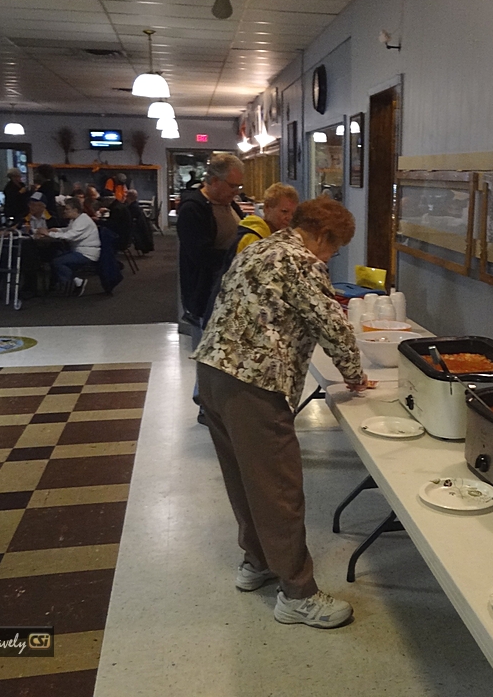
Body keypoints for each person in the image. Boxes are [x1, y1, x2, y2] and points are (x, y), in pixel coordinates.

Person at [193, 197, 368, 629]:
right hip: (253, 385)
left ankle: (257, 562)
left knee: (244, 477)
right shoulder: (303, 259)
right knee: (279, 490)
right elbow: (332, 323)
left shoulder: (260, 246)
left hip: (213, 373)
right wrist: (356, 377)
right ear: (324, 237)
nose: (332, 256)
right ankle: (297, 594)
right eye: (336, 248)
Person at [177, 153, 245, 420]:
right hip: (205, 294)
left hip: (227, 293)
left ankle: (216, 402)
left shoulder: (229, 204)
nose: (236, 192)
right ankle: (206, 406)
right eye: (232, 186)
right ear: (214, 181)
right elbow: (201, 256)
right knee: (208, 353)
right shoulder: (193, 209)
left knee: (222, 353)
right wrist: (240, 256)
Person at [44, 197, 99, 296]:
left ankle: (77, 281)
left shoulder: (82, 221)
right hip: (81, 251)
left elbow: (70, 236)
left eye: (67, 209)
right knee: (55, 255)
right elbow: (68, 230)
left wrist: (49, 234)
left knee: (57, 261)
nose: (64, 211)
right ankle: (59, 283)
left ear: (75, 210)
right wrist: (57, 230)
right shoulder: (77, 219)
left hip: (86, 253)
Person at [235, 183, 298, 255]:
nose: (289, 218)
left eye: (293, 214)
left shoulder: (281, 236)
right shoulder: (253, 237)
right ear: (267, 208)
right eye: (284, 211)